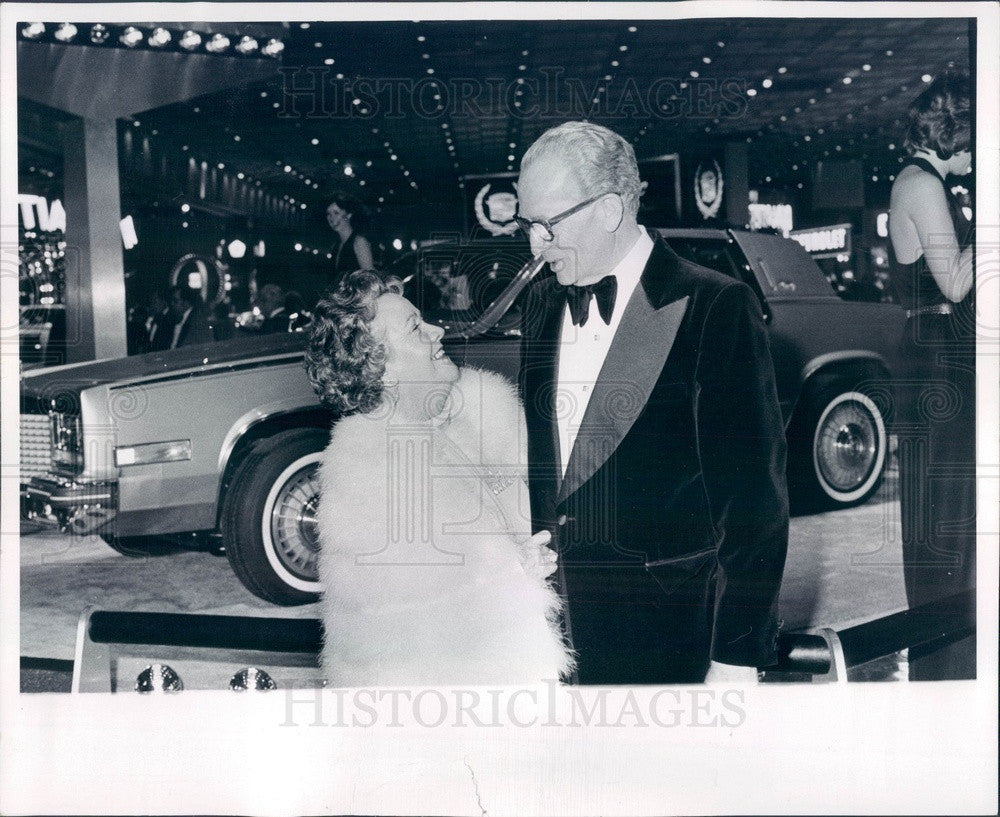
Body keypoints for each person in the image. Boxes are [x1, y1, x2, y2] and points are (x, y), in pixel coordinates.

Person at [516, 121, 789, 685]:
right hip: (559, 644)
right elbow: (555, 475)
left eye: (546, 224)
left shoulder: (716, 306)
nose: (533, 244)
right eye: (527, 224)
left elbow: (754, 506)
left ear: (612, 209)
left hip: (674, 641)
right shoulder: (541, 307)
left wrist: (735, 657)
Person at [304, 270, 573, 686]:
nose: (437, 329)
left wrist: (525, 565)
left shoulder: (462, 419)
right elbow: (415, 632)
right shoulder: (372, 470)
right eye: (416, 328)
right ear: (382, 367)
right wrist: (518, 580)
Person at [888, 73, 975, 680]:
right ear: (952, 136)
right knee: (945, 512)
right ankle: (946, 662)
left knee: (937, 511)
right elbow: (956, 283)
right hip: (939, 356)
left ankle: (942, 657)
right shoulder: (923, 186)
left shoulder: (916, 182)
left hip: (929, 353)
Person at [326, 193, 374, 286]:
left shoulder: (359, 242)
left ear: (349, 214)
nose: (331, 218)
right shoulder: (335, 246)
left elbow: (371, 279)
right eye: (328, 213)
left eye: (336, 212)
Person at [168, 284, 214, 348]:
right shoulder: (177, 319)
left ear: (186, 302)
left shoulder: (198, 321)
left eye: (175, 301)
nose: (172, 304)